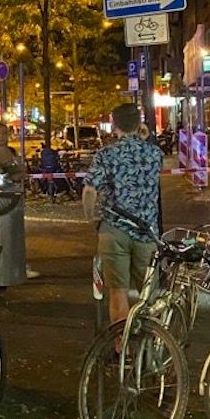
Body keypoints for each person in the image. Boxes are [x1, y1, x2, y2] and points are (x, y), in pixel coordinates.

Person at [82, 103, 163, 327]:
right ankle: (149, 341)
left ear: (114, 124)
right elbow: (141, 152)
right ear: (139, 124)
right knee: (147, 292)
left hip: (114, 229)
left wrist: (90, 218)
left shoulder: (106, 154)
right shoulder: (155, 154)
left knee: (118, 291)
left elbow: (90, 191)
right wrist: (142, 136)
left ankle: (121, 347)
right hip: (147, 232)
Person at [0, 123, 39, 282]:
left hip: (9, 197)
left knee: (11, 233)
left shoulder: (11, 152)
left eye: (4, 134)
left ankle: (14, 266)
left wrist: (18, 175)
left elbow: (20, 170)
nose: (1, 137)